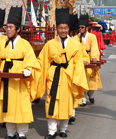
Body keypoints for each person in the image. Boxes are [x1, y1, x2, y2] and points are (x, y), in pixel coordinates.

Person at [0, 6, 41, 139]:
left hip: (20, 82)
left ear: (18, 29)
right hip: (6, 81)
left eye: (11, 27)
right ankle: (10, 132)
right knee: (7, 105)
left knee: (21, 106)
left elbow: (32, 60)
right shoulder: (1, 44)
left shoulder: (25, 44)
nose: (7, 30)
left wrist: (28, 70)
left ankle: (22, 132)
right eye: (7, 27)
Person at [37, 8, 88, 139]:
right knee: (51, 102)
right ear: (57, 29)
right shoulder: (50, 44)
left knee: (66, 103)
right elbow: (41, 61)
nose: (63, 30)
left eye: (65, 28)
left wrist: (76, 79)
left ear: (69, 29)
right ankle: (52, 131)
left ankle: (63, 129)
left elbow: (78, 63)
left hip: (68, 77)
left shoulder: (76, 44)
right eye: (60, 28)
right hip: (53, 76)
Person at [75, 15, 101, 106]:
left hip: (89, 58)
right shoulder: (75, 38)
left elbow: (94, 48)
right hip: (80, 60)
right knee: (81, 78)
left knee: (90, 78)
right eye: (79, 27)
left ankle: (91, 94)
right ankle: (83, 97)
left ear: (86, 28)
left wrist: (94, 57)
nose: (80, 29)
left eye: (82, 27)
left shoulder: (92, 37)